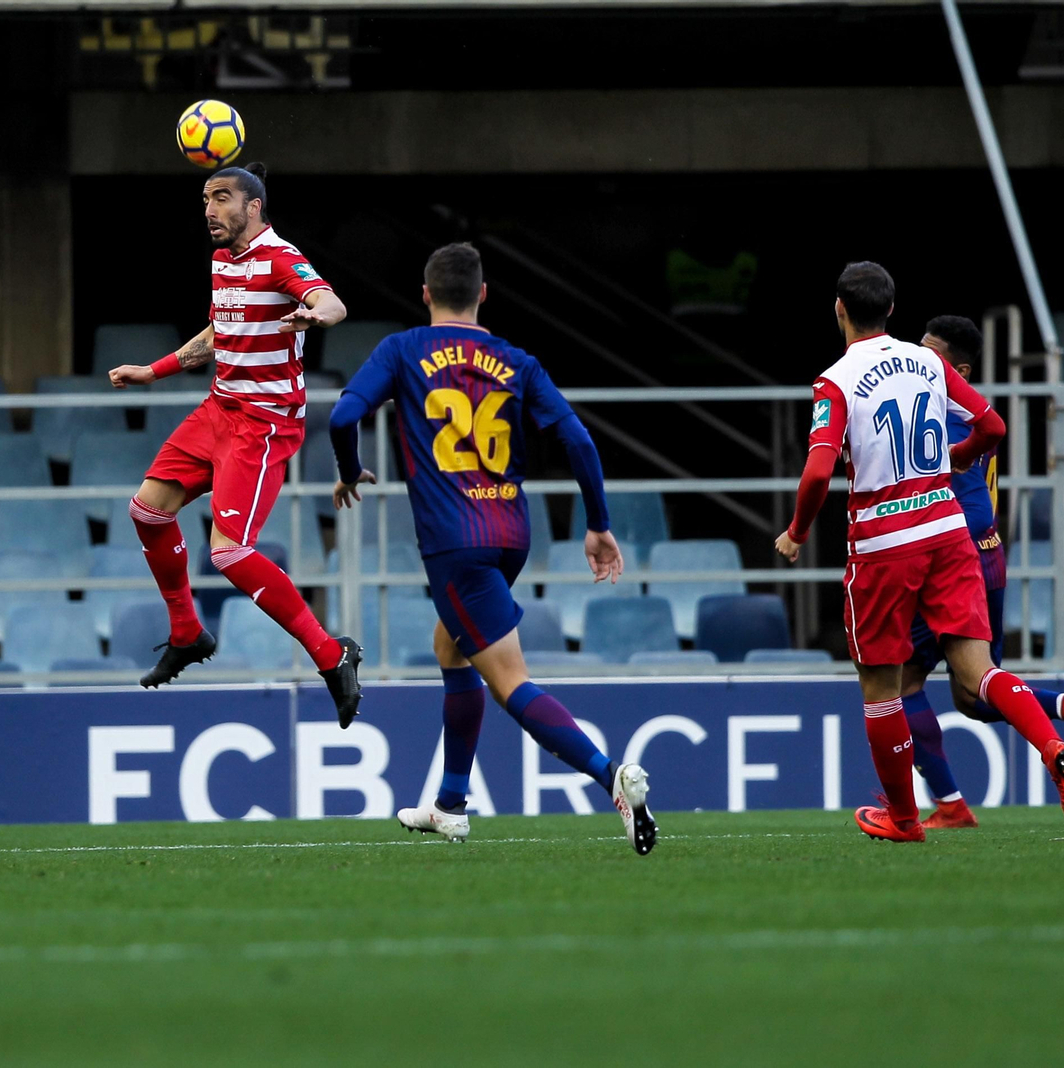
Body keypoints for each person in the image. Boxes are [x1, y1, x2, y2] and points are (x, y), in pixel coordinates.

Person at [327, 242, 656, 855]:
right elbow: (578, 440)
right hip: (510, 532)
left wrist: (349, 471)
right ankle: (450, 804)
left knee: (510, 683)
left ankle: (613, 778)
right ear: (483, 295)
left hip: (455, 543)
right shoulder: (516, 360)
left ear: (425, 295)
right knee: (449, 645)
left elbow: (343, 416)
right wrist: (597, 523)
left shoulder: (402, 350)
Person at [774, 262, 1064, 841]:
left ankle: (903, 819)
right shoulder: (929, 363)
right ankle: (1051, 749)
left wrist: (797, 531)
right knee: (979, 670)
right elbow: (993, 426)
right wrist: (961, 457)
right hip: (948, 532)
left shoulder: (834, 381)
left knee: (883, 686)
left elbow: (820, 469)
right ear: (892, 309)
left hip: (883, 545)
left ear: (839, 310)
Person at [108, 162, 363, 727]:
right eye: (204, 198)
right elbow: (218, 333)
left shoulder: (279, 255)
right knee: (147, 511)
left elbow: (331, 301)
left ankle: (331, 654)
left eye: (221, 198)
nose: (208, 210)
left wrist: (313, 314)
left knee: (227, 550)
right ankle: (186, 632)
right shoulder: (225, 260)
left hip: (265, 423)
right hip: (219, 408)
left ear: (254, 207)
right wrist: (157, 370)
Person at [902, 315, 1064, 829]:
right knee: (975, 694)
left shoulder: (940, 410)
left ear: (959, 369)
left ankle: (951, 806)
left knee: (901, 683)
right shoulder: (972, 410)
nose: (917, 364)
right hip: (989, 552)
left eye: (929, 356)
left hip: (951, 558)